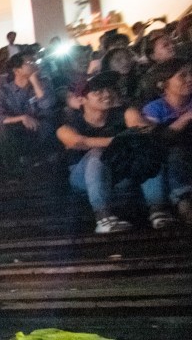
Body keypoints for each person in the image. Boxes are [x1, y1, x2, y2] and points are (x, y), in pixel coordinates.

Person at [59, 72, 174, 233]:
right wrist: (123, 140)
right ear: (81, 99)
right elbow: (78, 141)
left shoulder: (124, 112)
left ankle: (158, 210)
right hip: (84, 179)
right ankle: (103, 218)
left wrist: (135, 132)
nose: (106, 94)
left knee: (148, 150)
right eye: (98, 92)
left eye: (108, 89)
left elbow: (140, 129)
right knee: (97, 153)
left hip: (121, 175)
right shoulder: (71, 122)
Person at [141, 59, 192, 223]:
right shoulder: (155, 108)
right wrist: (185, 118)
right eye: (182, 76)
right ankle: (183, 202)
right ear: (163, 83)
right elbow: (155, 140)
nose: (189, 79)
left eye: (190, 74)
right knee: (175, 153)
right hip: (168, 158)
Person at [0, 52, 56, 175]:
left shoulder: (44, 83)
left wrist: (35, 83)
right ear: (17, 70)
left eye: (36, 61)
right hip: (18, 132)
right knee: (2, 130)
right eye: (30, 62)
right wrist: (22, 118)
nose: (35, 64)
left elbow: (48, 105)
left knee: (51, 121)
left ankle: (45, 161)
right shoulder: (2, 92)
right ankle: (14, 174)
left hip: (41, 128)